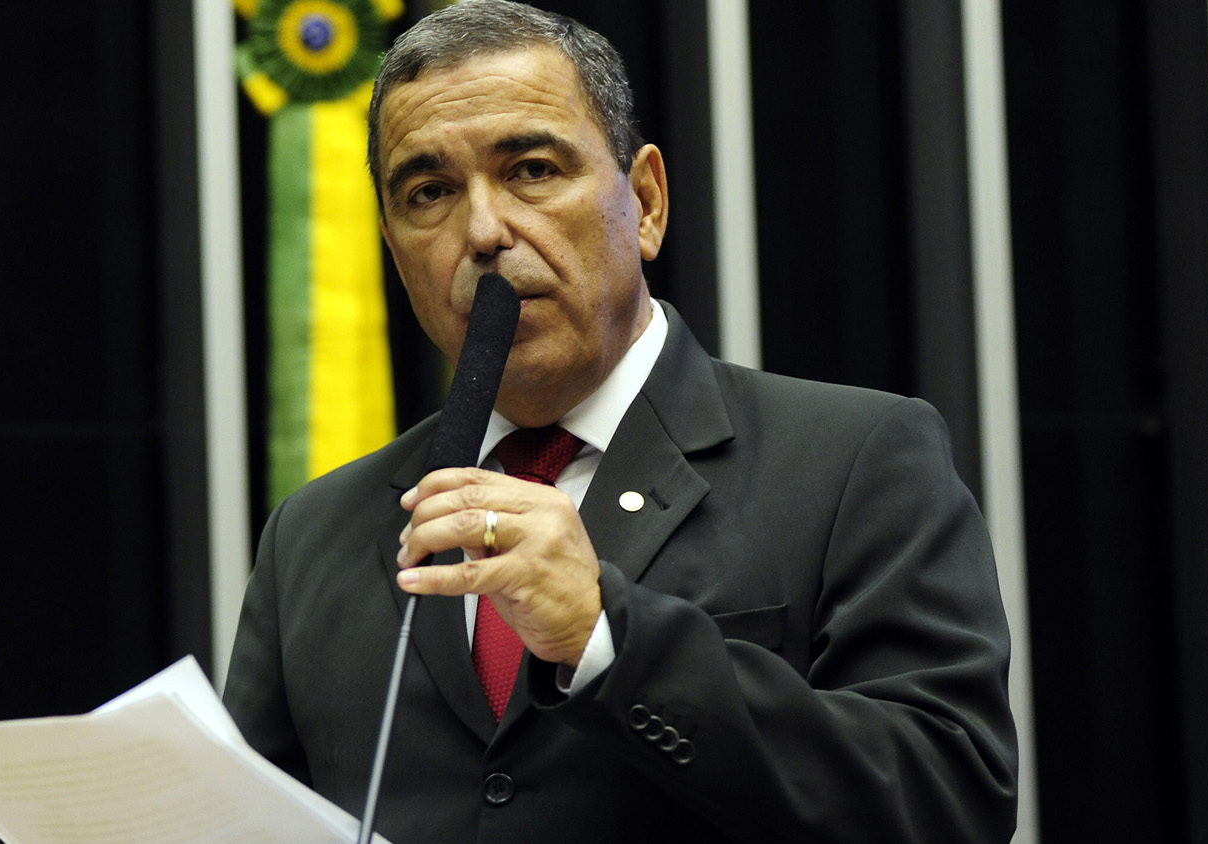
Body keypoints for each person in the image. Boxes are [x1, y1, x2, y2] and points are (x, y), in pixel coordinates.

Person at [223, 2, 1019, 841]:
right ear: (395, 247)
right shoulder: (312, 535)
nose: (484, 231)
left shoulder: (854, 460)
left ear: (644, 203)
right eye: (430, 193)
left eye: (531, 169)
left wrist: (606, 635)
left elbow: (946, 799)